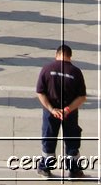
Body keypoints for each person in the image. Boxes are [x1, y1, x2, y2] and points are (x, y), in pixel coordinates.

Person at [35, 45, 87, 180]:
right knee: (71, 139)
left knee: (49, 137)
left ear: (56, 54)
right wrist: (67, 109)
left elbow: (40, 92)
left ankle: (45, 169)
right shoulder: (76, 72)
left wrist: (52, 109)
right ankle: (74, 170)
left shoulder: (47, 69)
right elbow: (82, 97)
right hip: (69, 113)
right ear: (70, 56)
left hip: (51, 111)